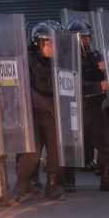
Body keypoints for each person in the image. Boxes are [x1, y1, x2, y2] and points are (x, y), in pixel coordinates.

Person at [13, 22, 67, 201]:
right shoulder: (27, 59)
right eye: (49, 43)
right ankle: (20, 187)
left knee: (56, 151)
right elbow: (26, 89)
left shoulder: (57, 60)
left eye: (54, 43)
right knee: (32, 153)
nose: (52, 47)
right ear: (38, 43)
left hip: (52, 112)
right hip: (33, 113)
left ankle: (52, 187)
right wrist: (47, 103)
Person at [66, 19, 109, 192]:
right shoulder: (66, 59)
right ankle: (68, 180)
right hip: (75, 108)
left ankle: (106, 179)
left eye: (88, 36)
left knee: (106, 143)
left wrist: (106, 68)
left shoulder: (95, 56)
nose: (86, 39)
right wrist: (99, 86)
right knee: (73, 145)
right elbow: (74, 82)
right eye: (82, 37)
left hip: (95, 107)